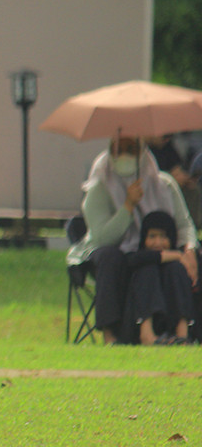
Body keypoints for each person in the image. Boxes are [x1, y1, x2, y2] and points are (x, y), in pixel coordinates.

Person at [67, 136, 199, 344]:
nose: (124, 155)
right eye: (119, 149)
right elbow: (103, 238)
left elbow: (184, 225)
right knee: (111, 257)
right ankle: (110, 336)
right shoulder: (99, 187)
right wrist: (127, 206)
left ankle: (181, 333)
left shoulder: (164, 184)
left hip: (157, 250)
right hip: (112, 252)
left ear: (142, 152)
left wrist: (189, 249)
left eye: (131, 149)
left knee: (173, 263)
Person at [123, 210, 195, 345]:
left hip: (171, 317)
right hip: (137, 323)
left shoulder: (178, 264)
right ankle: (147, 335)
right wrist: (178, 255)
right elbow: (134, 259)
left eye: (163, 236)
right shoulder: (137, 258)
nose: (158, 242)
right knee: (147, 270)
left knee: (176, 269)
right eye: (152, 236)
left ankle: (182, 335)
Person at [147, 134, 200, 227]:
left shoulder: (168, 147)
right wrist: (171, 177)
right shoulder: (146, 153)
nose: (166, 139)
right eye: (164, 136)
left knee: (193, 190)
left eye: (169, 136)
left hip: (173, 185)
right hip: (153, 186)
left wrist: (184, 178)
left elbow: (176, 168)